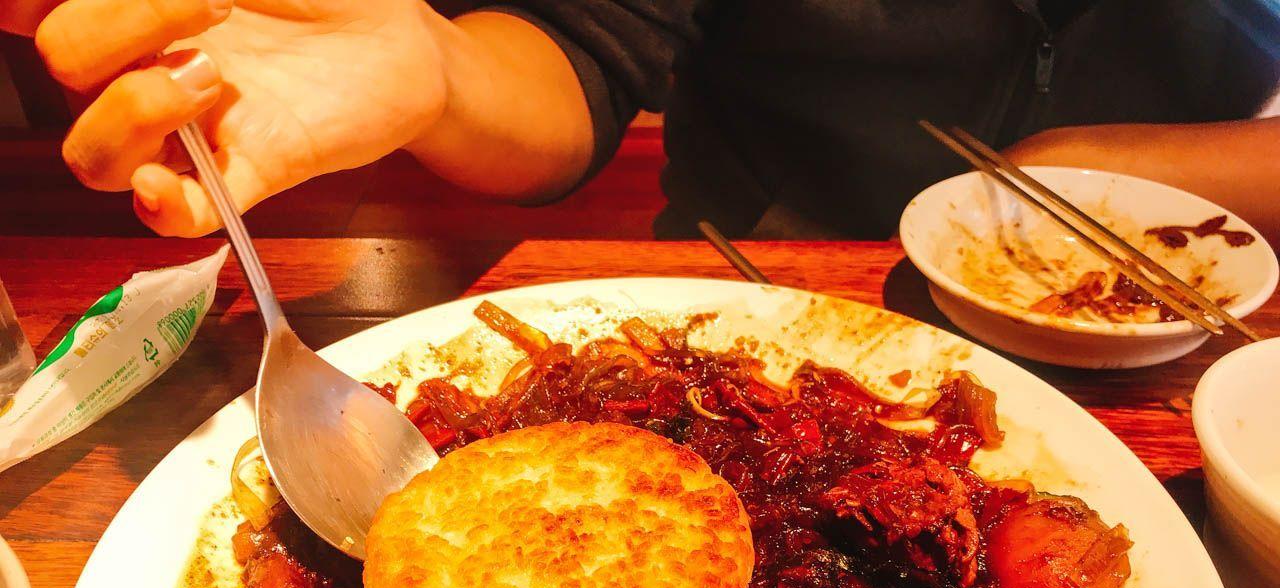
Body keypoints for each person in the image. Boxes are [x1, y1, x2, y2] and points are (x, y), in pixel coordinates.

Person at [2, 0, 1278, 240]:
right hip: (765, 265)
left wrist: (1106, 168)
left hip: (1208, 282)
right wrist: (437, 68)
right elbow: (585, 49)